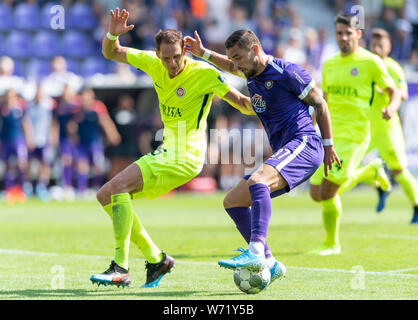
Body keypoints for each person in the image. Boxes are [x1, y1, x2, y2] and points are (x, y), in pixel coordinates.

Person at [90, 8, 255, 288]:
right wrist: (111, 34)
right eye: (166, 58)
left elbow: (242, 103)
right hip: (170, 150)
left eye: (177, 56)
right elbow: (111, 52)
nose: (172, 63)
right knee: (106, 195)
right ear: (157, 54)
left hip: (187, 154)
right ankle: (157, 260)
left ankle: (120, 267)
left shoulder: (203, 72)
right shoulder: (153, 63)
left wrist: (277, 106)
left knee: (117, 188)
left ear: (185, 51)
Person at [184, 29, 339, 281]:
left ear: (255, 50)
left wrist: (328, 145)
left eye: (238, 57)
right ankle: (269, 261)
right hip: (287, 149)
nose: (235, 64)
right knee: (233, 200)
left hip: (304, 143)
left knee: (258, 181)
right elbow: (230, 66)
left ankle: (255, 250)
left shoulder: (286, 72)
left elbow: (319, 103)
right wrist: (203, 53)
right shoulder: (250, 71)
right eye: (231, 59)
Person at [308, 14, 401, 255]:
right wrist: (311, 126)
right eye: (340, 33)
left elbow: (395, 91)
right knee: (316, 193)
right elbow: (324, 101)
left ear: (358, 34)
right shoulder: (329, 64)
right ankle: (369, 172)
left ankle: (331, 243)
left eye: (349, 33)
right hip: (331, 136)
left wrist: (390, 107)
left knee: (329, 190)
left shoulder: (371, 62)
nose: (344, 37)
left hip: (357, 134)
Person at [337, 28, 418, 223]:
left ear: (389, 47)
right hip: (365, 126)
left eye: (380, 45)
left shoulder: (392, 67)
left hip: (386, 127)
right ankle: (378, 184)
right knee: (350, 166)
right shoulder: (366, 66)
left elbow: (403, 93)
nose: (375, 48)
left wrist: (385, 94)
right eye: (373, 44)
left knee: (398, 170)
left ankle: (416, 205)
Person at [72, 87, 121, 197]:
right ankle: (82, 190)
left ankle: (96, 187)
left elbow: (105, 121)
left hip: (94, 141)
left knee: (98, 165)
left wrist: (112, 134)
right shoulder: (76, 109)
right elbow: (72, 125)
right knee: (81, 165)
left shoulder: (98, 107)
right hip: (81, 142)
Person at [0, 89, 34, 203]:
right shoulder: (3, 109)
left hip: (18, 140)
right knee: (7, 165)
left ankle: (21, 188)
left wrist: (29, 138)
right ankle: (8, 189)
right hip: (5, 140)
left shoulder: (20, 109)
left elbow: (25, 123)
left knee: (22, 164)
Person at [26, 84, 56, 201]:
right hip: (33, 139)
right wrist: (29, 137)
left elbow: (53, 122)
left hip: (44, 140)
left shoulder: (48, 106)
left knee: (45, 163)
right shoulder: (29, 107)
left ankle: (42, 187)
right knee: (29, 164)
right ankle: (28, 186)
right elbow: (26, 122)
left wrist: (52, 137)